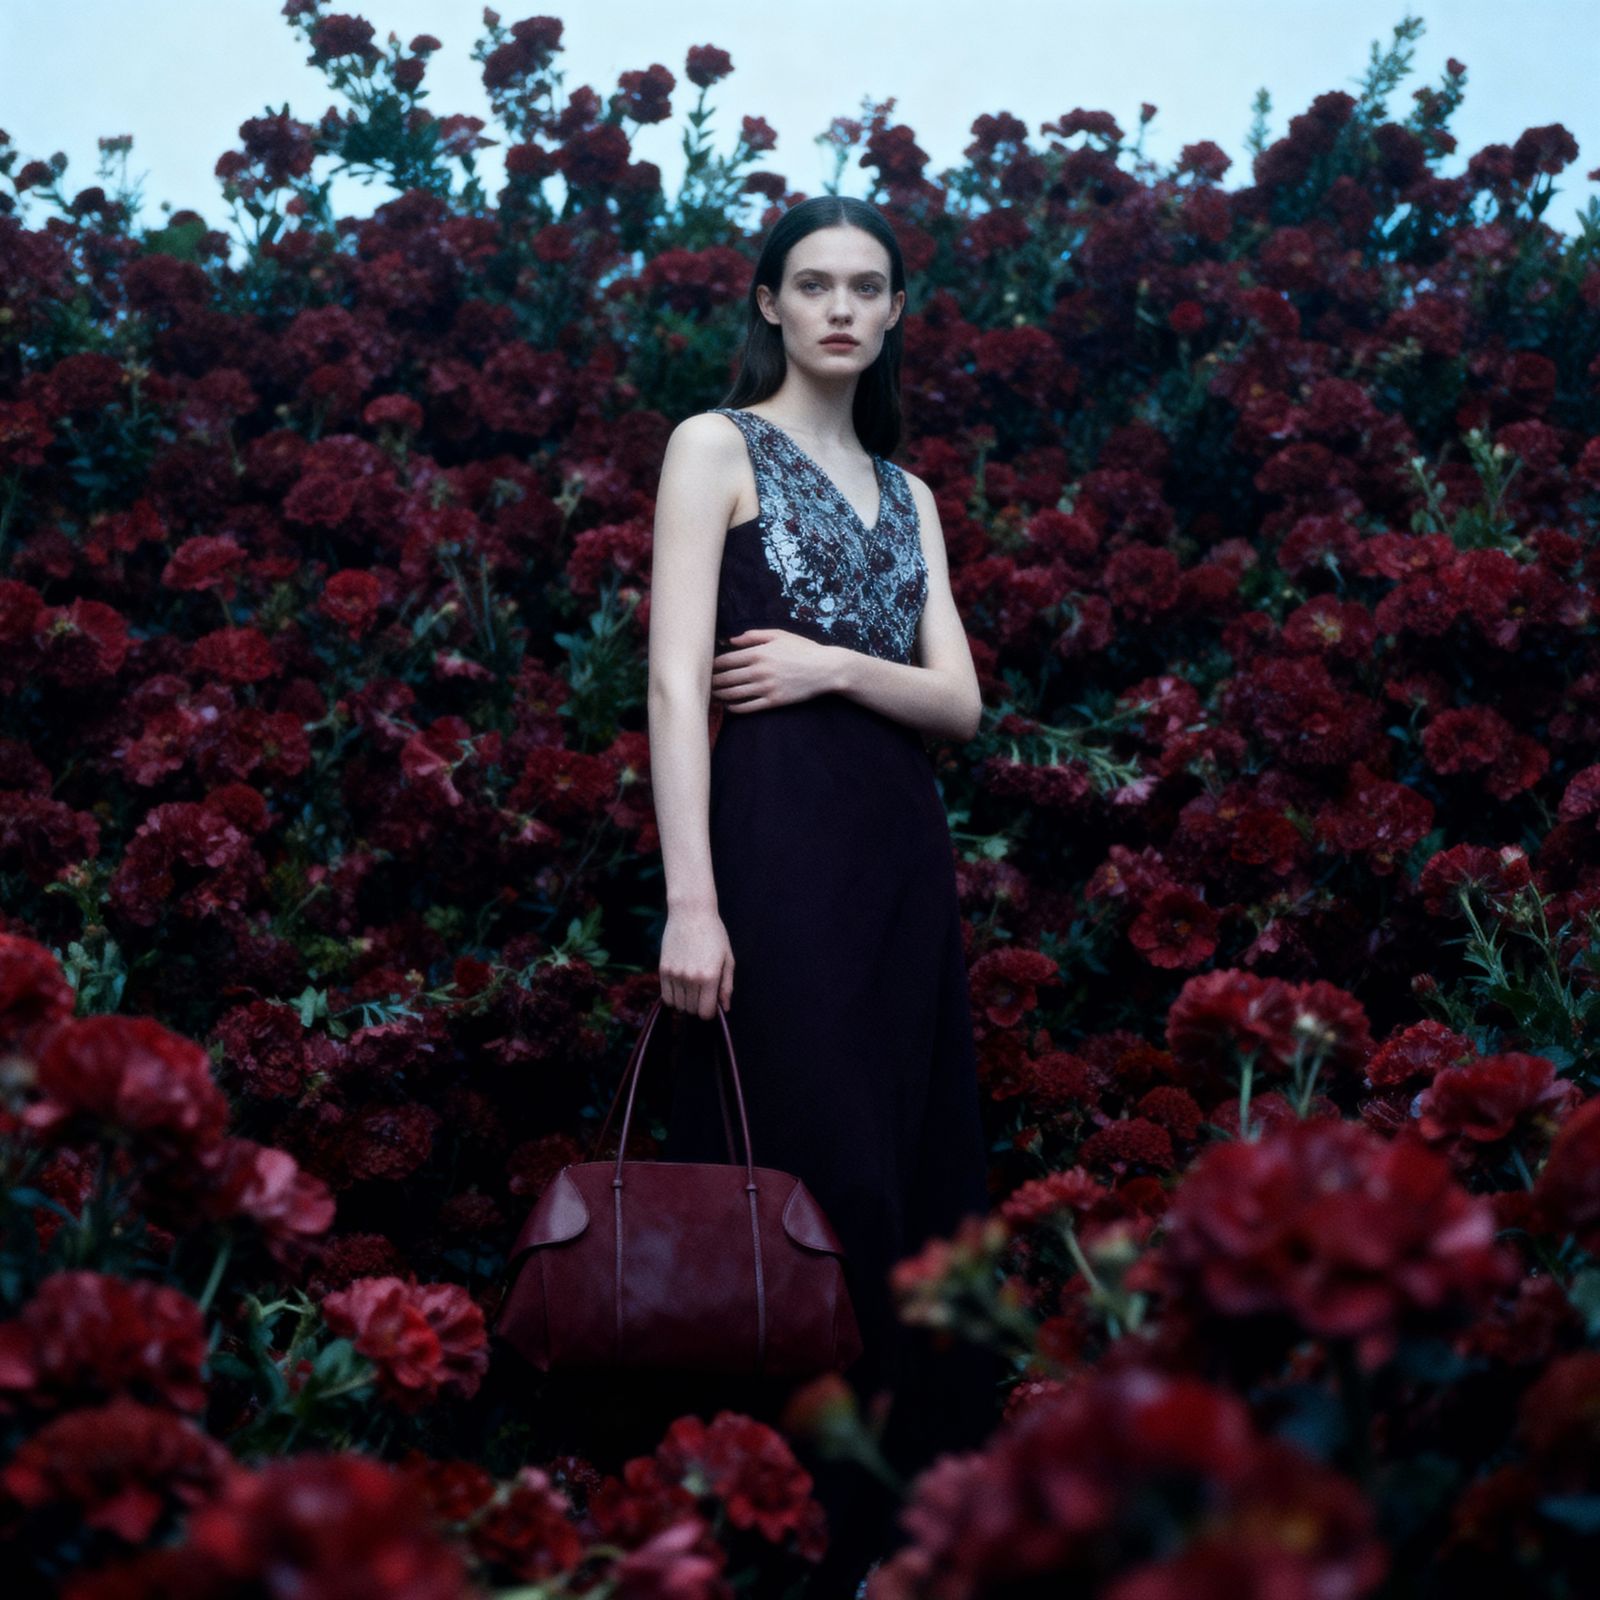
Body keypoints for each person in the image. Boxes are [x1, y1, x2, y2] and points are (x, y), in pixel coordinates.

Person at [646, 194, 1002, 1595]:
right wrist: (693, 900)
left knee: (916, 1186)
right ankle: (782, 1540)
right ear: (770, 305)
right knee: (808, 1177)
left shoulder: (911, 494)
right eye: (815, 284)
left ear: (896, 311)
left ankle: (890, 1544)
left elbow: (962, 704)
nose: (842, 307)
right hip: (770, 852)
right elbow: (676, 684)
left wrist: (832, 665)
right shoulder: (712, 446)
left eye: (868, 286)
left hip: (900, 865)